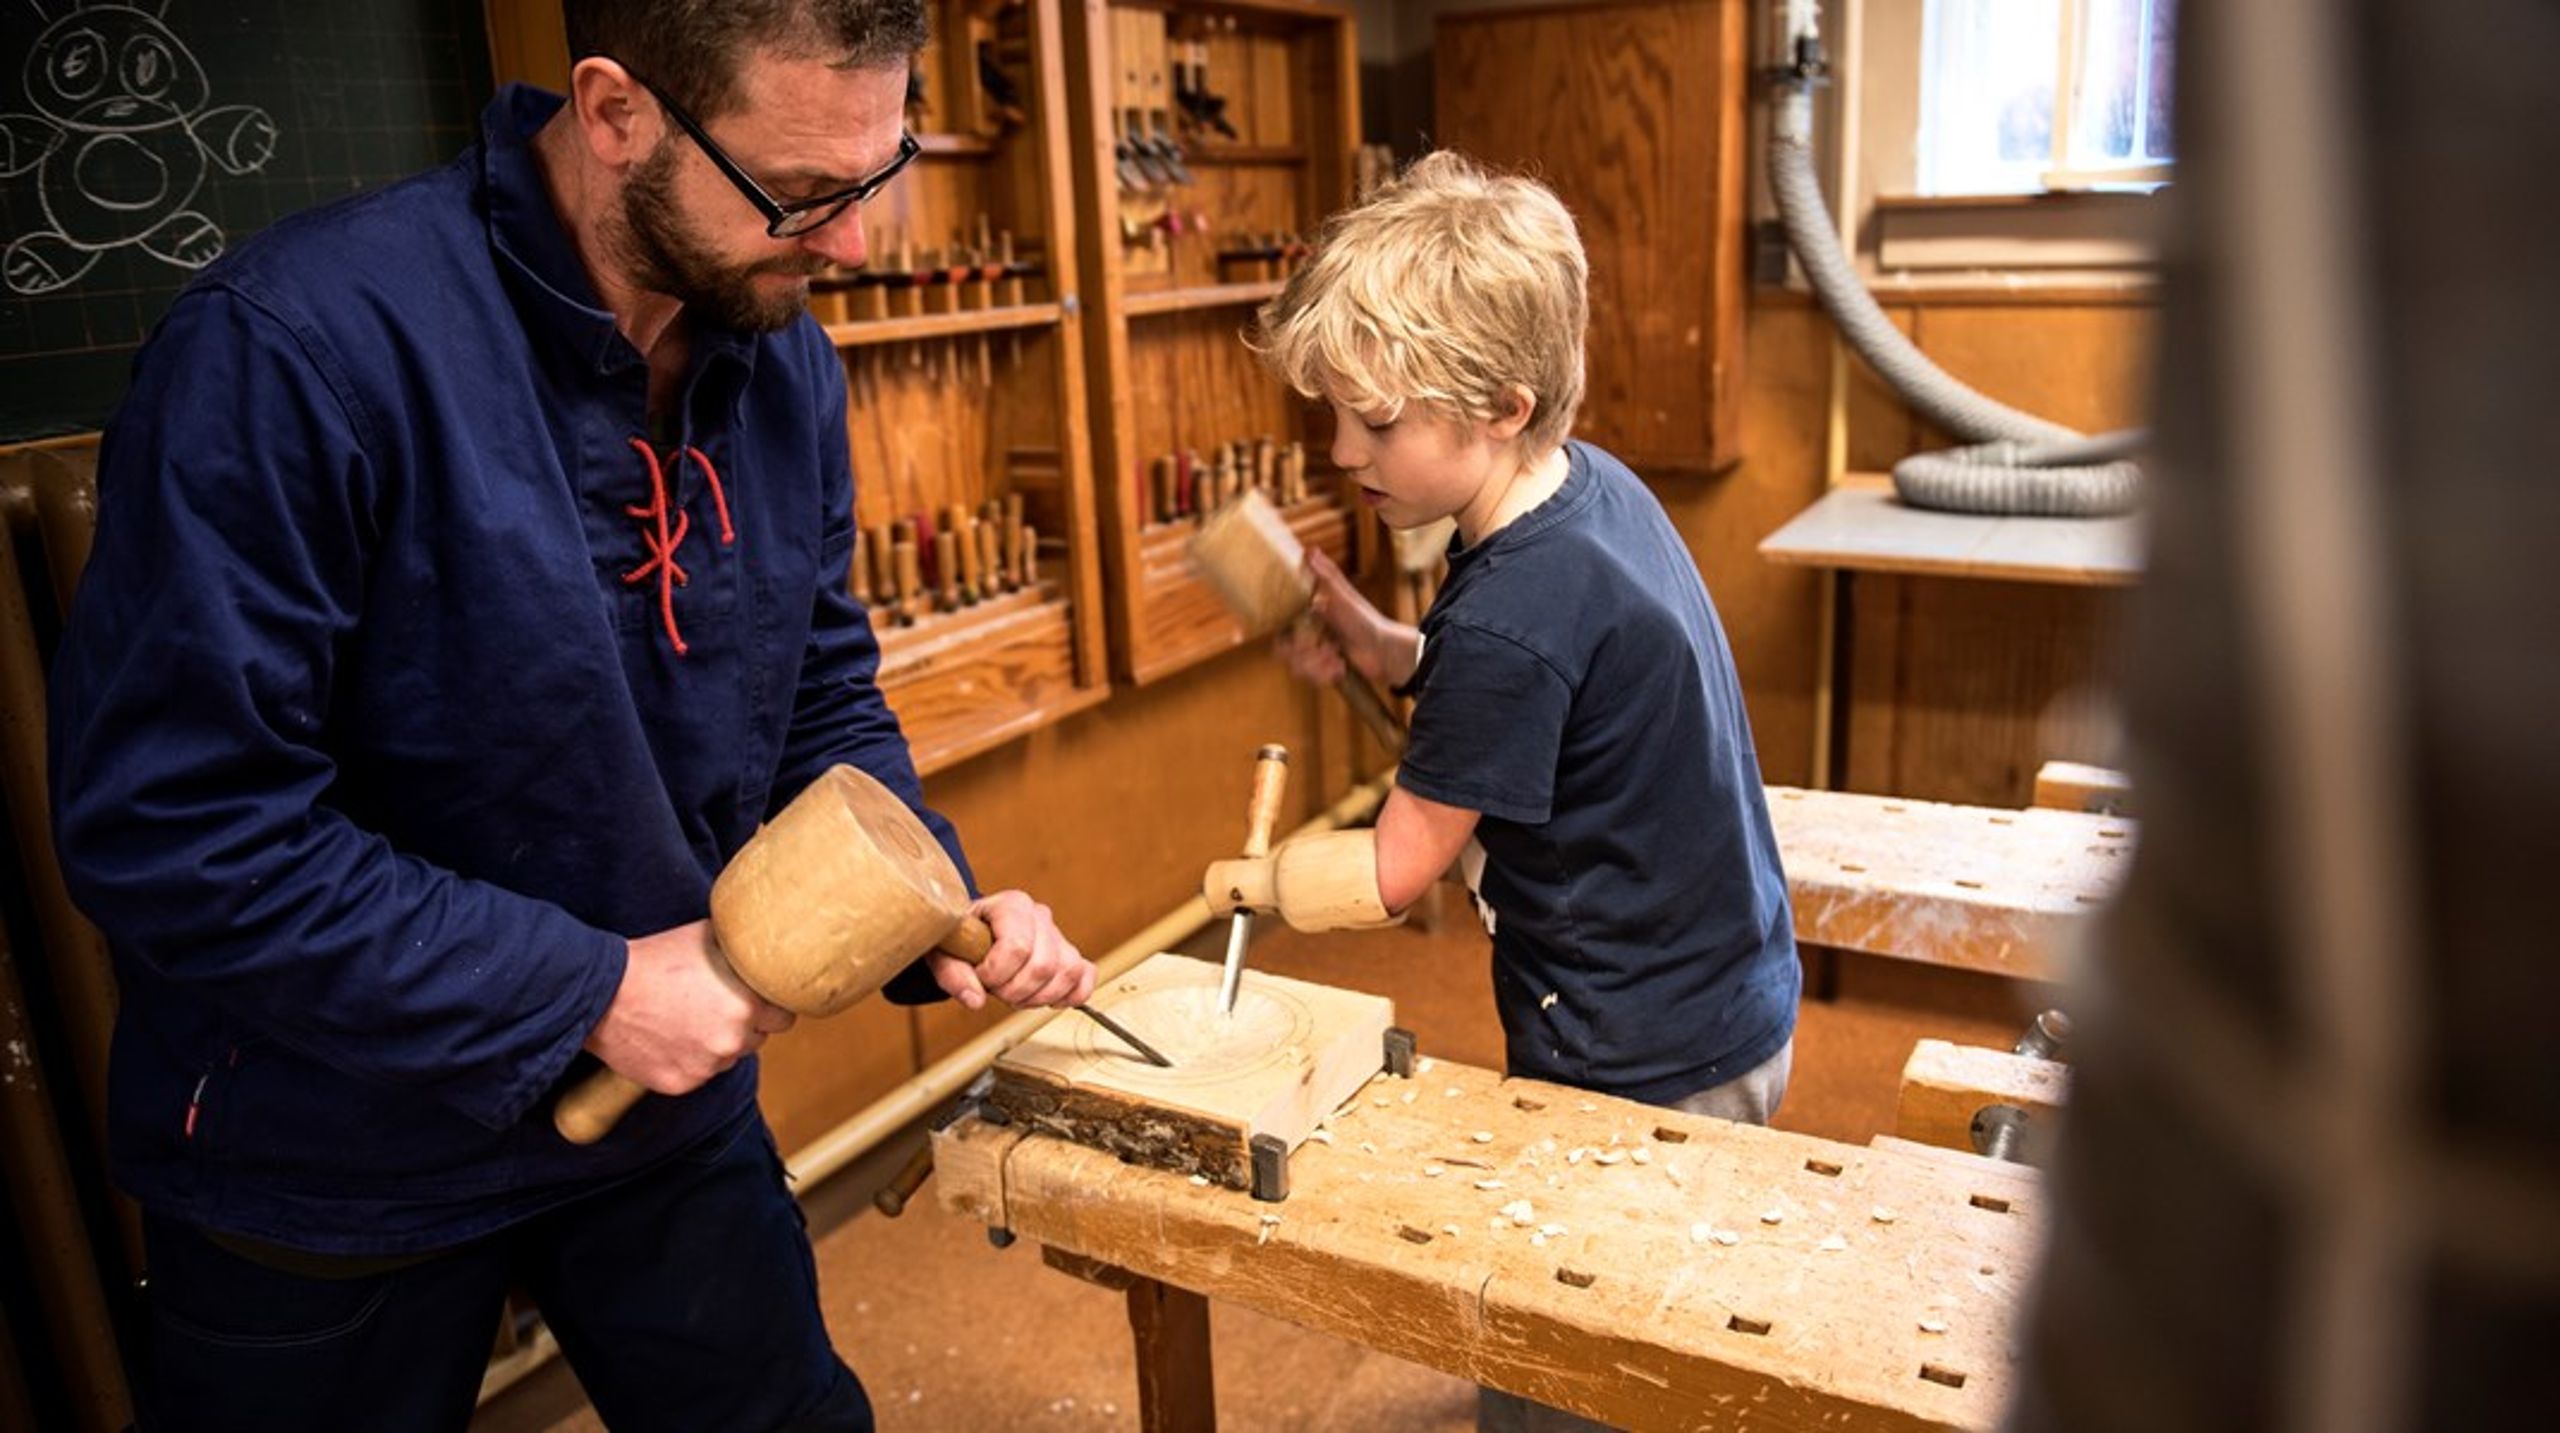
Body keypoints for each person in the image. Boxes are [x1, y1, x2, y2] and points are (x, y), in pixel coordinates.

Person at [44, 2, 1091, 1428]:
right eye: (799, 196)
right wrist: (587, 992)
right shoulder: (291, 353)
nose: (850, 245)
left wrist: (933, 902)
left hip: (664, 1116)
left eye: (877, 172)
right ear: (614, 114)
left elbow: (818, 700)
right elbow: (176, 828)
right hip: (330, 1144)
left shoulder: (776, 352)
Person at [1240, 152, 1800, 1431]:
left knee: (1571, 1363)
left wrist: (1250, 881)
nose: (1340, 452)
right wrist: (1386, 649)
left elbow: (1391, 871)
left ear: (1501, 401)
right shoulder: (1578, 489)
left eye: (1374, 424)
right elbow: (1525, 686)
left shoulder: (1507, 617)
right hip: (1724, 991)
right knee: (1650, 1323)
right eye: (1333, 414)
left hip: (1639, 1046)